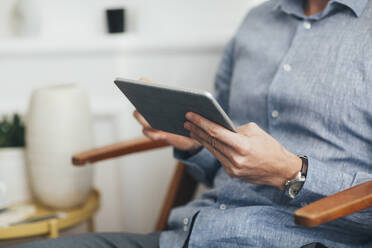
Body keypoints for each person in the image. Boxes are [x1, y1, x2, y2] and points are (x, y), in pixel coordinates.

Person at [12, 0, 372, 247]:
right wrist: (197, 144)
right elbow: (226, 162)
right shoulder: (256, 23)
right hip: (190, 233)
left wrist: (292, 173)